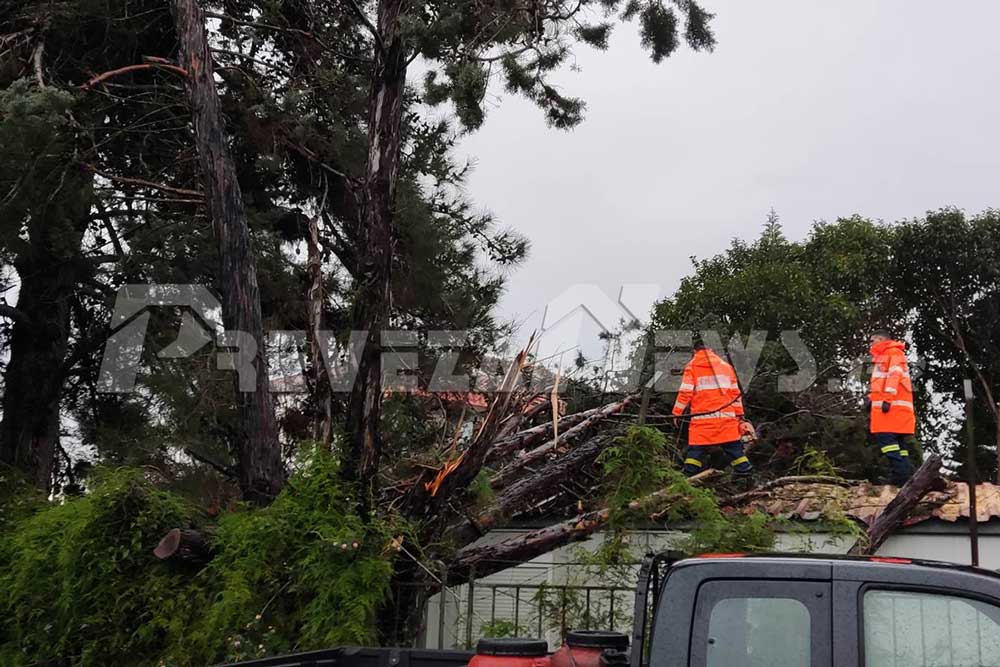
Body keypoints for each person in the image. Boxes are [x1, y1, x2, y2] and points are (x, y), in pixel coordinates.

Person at [672, 341, 753, 479]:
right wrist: (740, 416)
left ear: (695, 351)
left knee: (695, 453)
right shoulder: (726, 367)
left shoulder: (692, 366)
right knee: (735, 452)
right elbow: (735, 394)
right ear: (710, 349)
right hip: (726, 421)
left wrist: (676, 413)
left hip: (703, 423)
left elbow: (685, 392)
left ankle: (685, 482)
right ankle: (748, 478)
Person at [866, 329, 915, 486]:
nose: (870, 344)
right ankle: (905, 477)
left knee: (887, 442)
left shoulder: (892, 353)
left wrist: (887, 398)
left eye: (872, 340)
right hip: (894, 410)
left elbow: (895, 376)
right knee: (899, 446)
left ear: (881, 339)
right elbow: (882, 382)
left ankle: (900, 477)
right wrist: (870, 399)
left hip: (890, 409)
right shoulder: (888, 355)